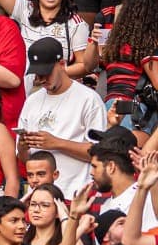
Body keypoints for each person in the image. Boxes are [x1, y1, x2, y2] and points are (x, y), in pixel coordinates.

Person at [17, 38, 103, 194]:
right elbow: (24, 158)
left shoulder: (88, 98)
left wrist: (56, 143)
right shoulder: (32, 101)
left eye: (46, 73)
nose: (41, 79)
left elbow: (99, 152)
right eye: (38, 74)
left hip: (75, 193)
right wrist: (22, 147)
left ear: (62, 65)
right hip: (39, 196)